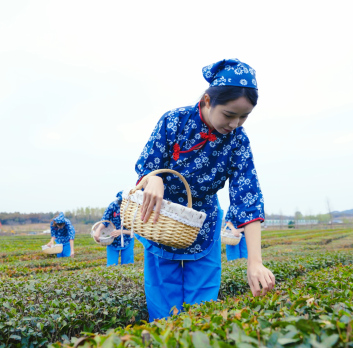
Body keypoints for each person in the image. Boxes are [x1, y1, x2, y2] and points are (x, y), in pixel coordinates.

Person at [133, 58, 275, 321]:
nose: (235, 124)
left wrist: (254, 262)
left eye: (244, 117)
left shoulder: (238, 141)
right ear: (208, 101)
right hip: (160, 217)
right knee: (163, 304)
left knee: (203, 306)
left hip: (204, 220)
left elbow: (248, 197)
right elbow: (146, 170)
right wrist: (154, 178)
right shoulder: (174, 121)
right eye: (229, 115)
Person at [93, 191, 134, 266]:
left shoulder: (133, 208)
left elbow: (135, 231)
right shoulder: (113, 205)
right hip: (112, 240)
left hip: (128, 240)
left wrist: (121, 232)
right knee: (111, 266)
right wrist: (98, 230)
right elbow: (105, 220)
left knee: (128, 265)